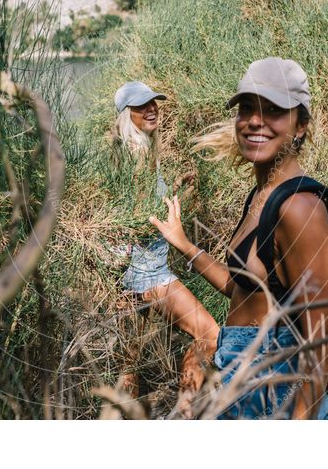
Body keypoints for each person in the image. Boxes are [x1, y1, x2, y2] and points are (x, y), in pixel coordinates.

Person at [149, 58, 328, 419]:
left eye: (274, 110)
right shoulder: (262, 196)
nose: (255, 120)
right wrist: (186, 245)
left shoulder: (300, 209)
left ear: (301, 126)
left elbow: (319, 340)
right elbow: (242, 287)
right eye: (247, 108)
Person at [109, 80, 220, 411]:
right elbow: (135, 217)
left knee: (129, 363)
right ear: (126, 115)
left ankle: (121, 421)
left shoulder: (128, 152)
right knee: (209, 333)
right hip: (149, 274)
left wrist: (172, 193)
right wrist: (170, 221)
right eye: (143, 106)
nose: (152, 108)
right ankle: (185, 408)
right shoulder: (139, 154)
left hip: (130, 276)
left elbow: (129, 208)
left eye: (154, 102)